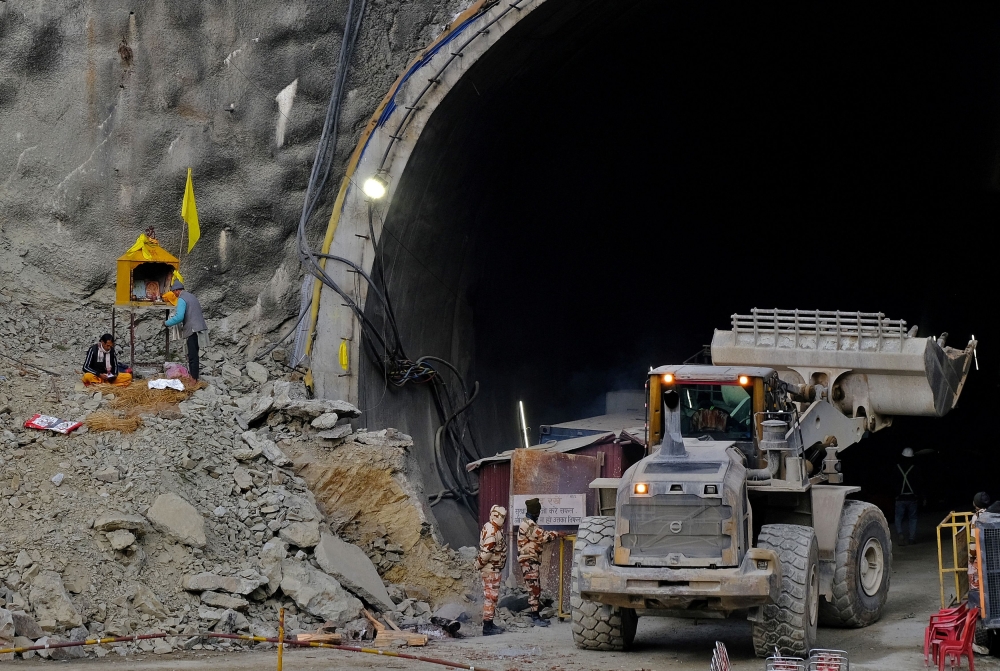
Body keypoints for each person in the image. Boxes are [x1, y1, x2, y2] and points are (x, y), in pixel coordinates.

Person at [517, 498, 563, 627]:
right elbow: (543, 537)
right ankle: (535, 617)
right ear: (536, 511)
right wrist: (557, 534)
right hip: (529, 562)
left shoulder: (528, 523)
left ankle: (535, 615)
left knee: (535, 588)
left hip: (531, 561)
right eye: (538, 511)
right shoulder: (528, 525)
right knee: (534, 589)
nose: (539, 514)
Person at [163, 280, 208, 381]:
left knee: (192, 355)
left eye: (174, 292)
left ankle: (193, 379)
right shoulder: (191, 296)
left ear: (177, 290)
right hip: (198, 327)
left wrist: (167, 323)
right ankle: (194, 376)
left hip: (192, 328)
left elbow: (179, 317)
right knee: (194, 353)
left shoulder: (182, 299)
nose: (174, 294)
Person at [474, 505, 507, 636]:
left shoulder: (493, 529)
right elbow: (486, 553)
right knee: (490, 598)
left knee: (492, 598)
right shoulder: (492, 531)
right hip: (490, 570)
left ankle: (490, 623)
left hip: (493, 569)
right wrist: (478, 565)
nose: (504, 520)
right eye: (502, 517)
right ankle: (487, 627)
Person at [892, 447, 922, 546]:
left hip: (900, 498)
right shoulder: (915, 468)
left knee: (898, 517)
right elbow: (919, 483)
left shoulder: (896, 468)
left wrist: (895, 495)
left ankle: (900, 534)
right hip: (912, 497)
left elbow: (893, 483)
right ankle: (911, 538)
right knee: (913, 518)